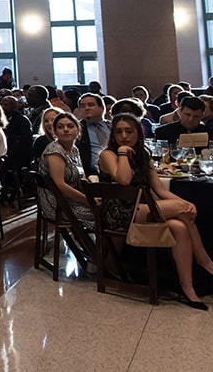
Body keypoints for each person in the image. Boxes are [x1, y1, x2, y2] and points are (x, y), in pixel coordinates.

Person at [99, 113, 213, 310]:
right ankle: (206, 261)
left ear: (138, 133)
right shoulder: (108, 154)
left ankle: (188, 289)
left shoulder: (143, 155)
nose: (124, 136)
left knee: (179, 226)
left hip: (142, 209)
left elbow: (159, 189)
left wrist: (185, 203)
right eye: (119, 132)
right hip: (118, 212)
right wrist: (123, 153)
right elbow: (124, 180)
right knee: (181, 209)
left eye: (129, 131)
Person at [37, 112, 93, 229]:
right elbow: (60, 184)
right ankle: (99, 246)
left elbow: (82, 176)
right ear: (55, 132)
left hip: (71, 197)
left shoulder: (74, 149)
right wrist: (87, 200)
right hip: (58, 204)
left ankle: (105, 246)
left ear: (78, 129)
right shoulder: (55, 151)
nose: (66, 130)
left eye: (70, 126)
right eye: (60, 127)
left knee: (107, 208)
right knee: (102, 214)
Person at [75, 92, 109, 176]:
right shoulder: (76, 129)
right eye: (82, 106)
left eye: (91, 105)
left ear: (101, 107)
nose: (86, 108)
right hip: (91, 174)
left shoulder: (112, 126)